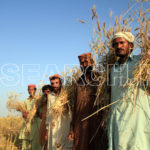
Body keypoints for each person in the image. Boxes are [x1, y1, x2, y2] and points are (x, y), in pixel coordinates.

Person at [108, 32, 150, 150]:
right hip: (117, 121)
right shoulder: (113, 69)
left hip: (137, 120)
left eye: (122, 43)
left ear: (130, 45)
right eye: (115, 44)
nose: (118, 46)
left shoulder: (141, 62)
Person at [68, 53, 107, 150]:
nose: (84, 65)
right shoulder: (78, 82)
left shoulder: (100, 79)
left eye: (86, 62)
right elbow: (75, 107)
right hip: (79, 125)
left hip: (96, 125)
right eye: (82, 63)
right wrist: (72, 128)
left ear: (92, 63)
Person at [45, 74, 72, 150]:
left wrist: (66, 104)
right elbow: (48, 113)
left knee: (64, 146)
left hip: (63, 125)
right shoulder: (50, 96)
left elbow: (71, 109)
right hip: (53, 126)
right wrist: (47, 129)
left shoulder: (67, 94)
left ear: (60, 83)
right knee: (53, 146)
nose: (54, 85)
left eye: (56, 83)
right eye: (52, 83)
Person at [19, 84, 41, 150]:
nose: (30, 91)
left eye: (31, 89)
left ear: (35, 90)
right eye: (28, 89)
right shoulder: (26, 101)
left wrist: (34, 113)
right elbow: (23, 112)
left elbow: (41, 113)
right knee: (25, 142)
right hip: (27, 124)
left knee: (36, 144)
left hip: (36, 124)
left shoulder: (38, 100)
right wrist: (25, 114)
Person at [38, 85, 52, 150]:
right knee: (44, 144)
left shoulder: (55, 102)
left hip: (51, 125)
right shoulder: (44, 103)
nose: (46, 93)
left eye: (48, 91)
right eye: (44, 92)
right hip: (44, 125)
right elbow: (41, 116)